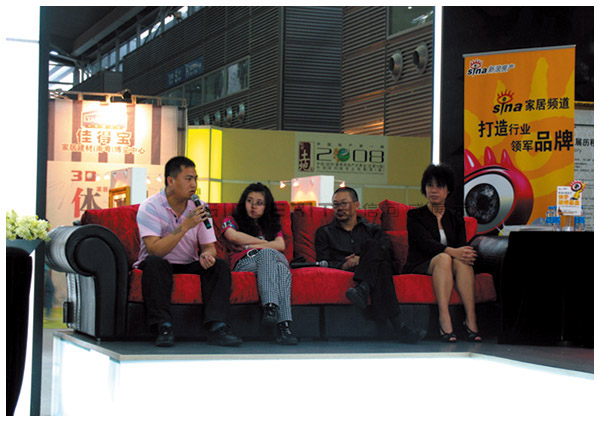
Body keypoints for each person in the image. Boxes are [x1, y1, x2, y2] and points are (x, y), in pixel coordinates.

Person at [133, 156, 243, 347]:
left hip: (188, 263)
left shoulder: (200, 207)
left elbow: (209, 247)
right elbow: (155, 250)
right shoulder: (150, 207)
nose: (193, 185)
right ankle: (163, 326)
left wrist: (207, 255)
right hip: (158, 263)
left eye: (195, 179)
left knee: (219, 267)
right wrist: (184, 226)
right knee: (155, 264)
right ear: (171, 181)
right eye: (188, 179)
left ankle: (217, 327)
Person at [315, 187, 426, 344]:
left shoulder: (373, 229)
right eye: (336, 205)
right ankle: (399, 327)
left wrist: (362, 258)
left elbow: (387, 252)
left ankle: (363, 288)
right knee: (382, 268)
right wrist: (343, 265)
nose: (339, 208)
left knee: (372, 246)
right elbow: (323, 261)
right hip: (353, 268)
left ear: (356, 205)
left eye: (344, 203)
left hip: (370, 265)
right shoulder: (325, 233)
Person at [404, 163, 481, 342]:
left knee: (463, 260)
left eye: (439, 186)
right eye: (430, 185)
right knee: (445, 258)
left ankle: (471, 319)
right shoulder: (414, 215)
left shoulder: (455, 217)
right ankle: (444, 318)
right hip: (422, 262)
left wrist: (463, 253)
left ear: (448, 190)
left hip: (450, 262)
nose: (434, 190)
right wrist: (453, 251)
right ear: (424, 189)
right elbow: (425, 243)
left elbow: (461, 244)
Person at [221, 183, 298, 345]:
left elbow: (280, 245)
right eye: (249, 201)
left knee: (274, 260)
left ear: (266, 206)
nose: (253, 206)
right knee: (277, 265)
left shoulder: (272, 225)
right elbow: (232, 236)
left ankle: (272, 310)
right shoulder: (232, 220)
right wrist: (265, 244)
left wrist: (248, 245)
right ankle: (283, 325)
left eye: (259, 203)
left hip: (271, 259)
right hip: (246, 263)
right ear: (244, 202)